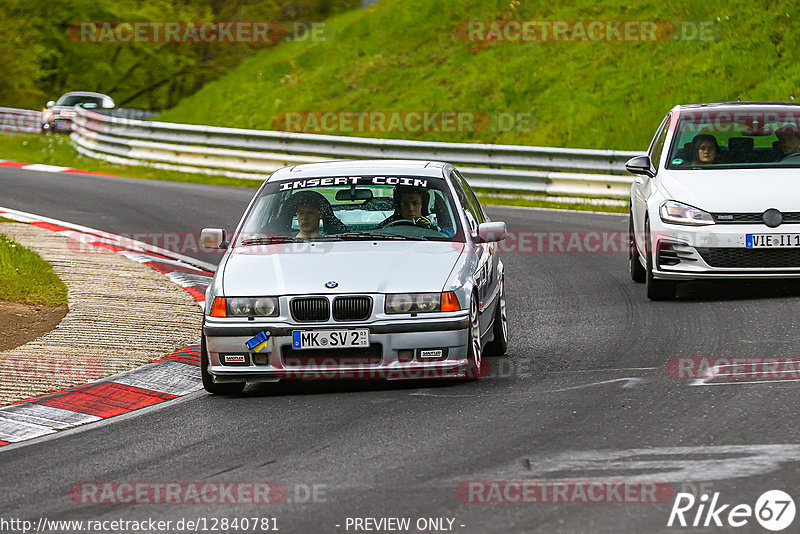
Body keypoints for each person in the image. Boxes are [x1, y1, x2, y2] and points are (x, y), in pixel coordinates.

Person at [279, 190, 346, 238]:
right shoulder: (282, 243)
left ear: (320, 215)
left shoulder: (334, 241)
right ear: (296, 215)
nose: (304, 217)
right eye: (301, 213)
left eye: (310, 213)